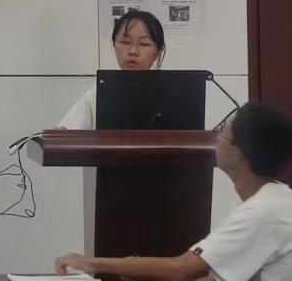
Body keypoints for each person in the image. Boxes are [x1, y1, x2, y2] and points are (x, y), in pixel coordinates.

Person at [55, 102, 292, 281]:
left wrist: (94, 263)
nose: (216, 138)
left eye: (221, 132)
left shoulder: (263, 212)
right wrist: (136, 270)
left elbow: (181, 269)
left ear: (240, 152)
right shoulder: (263, 201)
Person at [57, 9, 166, 130]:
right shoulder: (97, 96)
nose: (133, 51)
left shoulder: (171, 95)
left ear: (158, 52)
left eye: (144, 44)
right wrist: (60, 133)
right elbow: (65, 133)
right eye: (125, 42)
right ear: (114, 45)